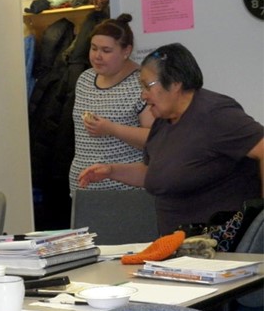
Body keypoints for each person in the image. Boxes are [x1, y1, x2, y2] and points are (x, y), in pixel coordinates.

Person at [79, 43, 264, 235]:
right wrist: (111, 170)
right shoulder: (163, 120)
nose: (143, 95)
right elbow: (157, 173)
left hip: (220, 246)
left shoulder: (215, 113)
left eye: (147, 86)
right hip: (176, 245)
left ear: (175, 83)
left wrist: (262, 220)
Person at [68, 13, 154, 194]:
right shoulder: (85, 79)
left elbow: (154, 138)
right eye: (93, 48)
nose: (97, 56)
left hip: (124, 191)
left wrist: (111, 129)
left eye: (106, 51)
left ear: (126, 51)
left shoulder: (141, 83)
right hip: (82, 188)